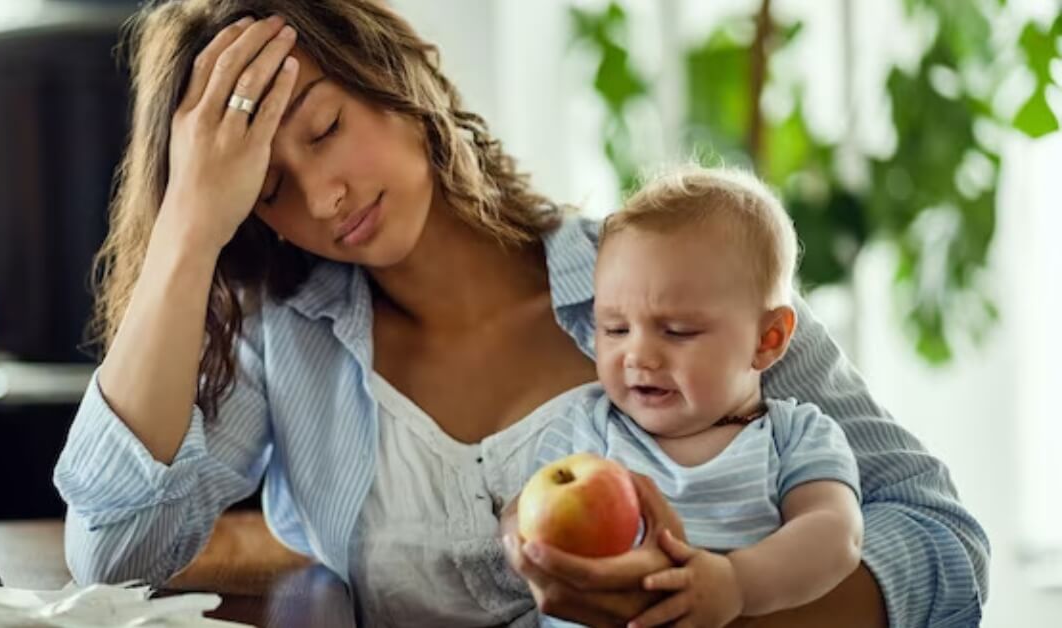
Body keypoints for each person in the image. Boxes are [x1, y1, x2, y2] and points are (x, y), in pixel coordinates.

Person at [51, 1, 989, 626]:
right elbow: (116, 552)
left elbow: (944, 545)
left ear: (399, 85)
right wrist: (185, 232)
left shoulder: (671, 287)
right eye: (267, 190)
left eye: (327, 129)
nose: (325, 197)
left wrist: (720, 602)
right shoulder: (287, 339)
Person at [519, 166, 864, 628]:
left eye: (677, 331)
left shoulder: (794, 435)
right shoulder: (584, 425)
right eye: (615, 329)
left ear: (768, 338)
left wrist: (738, 584)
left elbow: (836, 535)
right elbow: (523, 519)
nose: (637, 354)